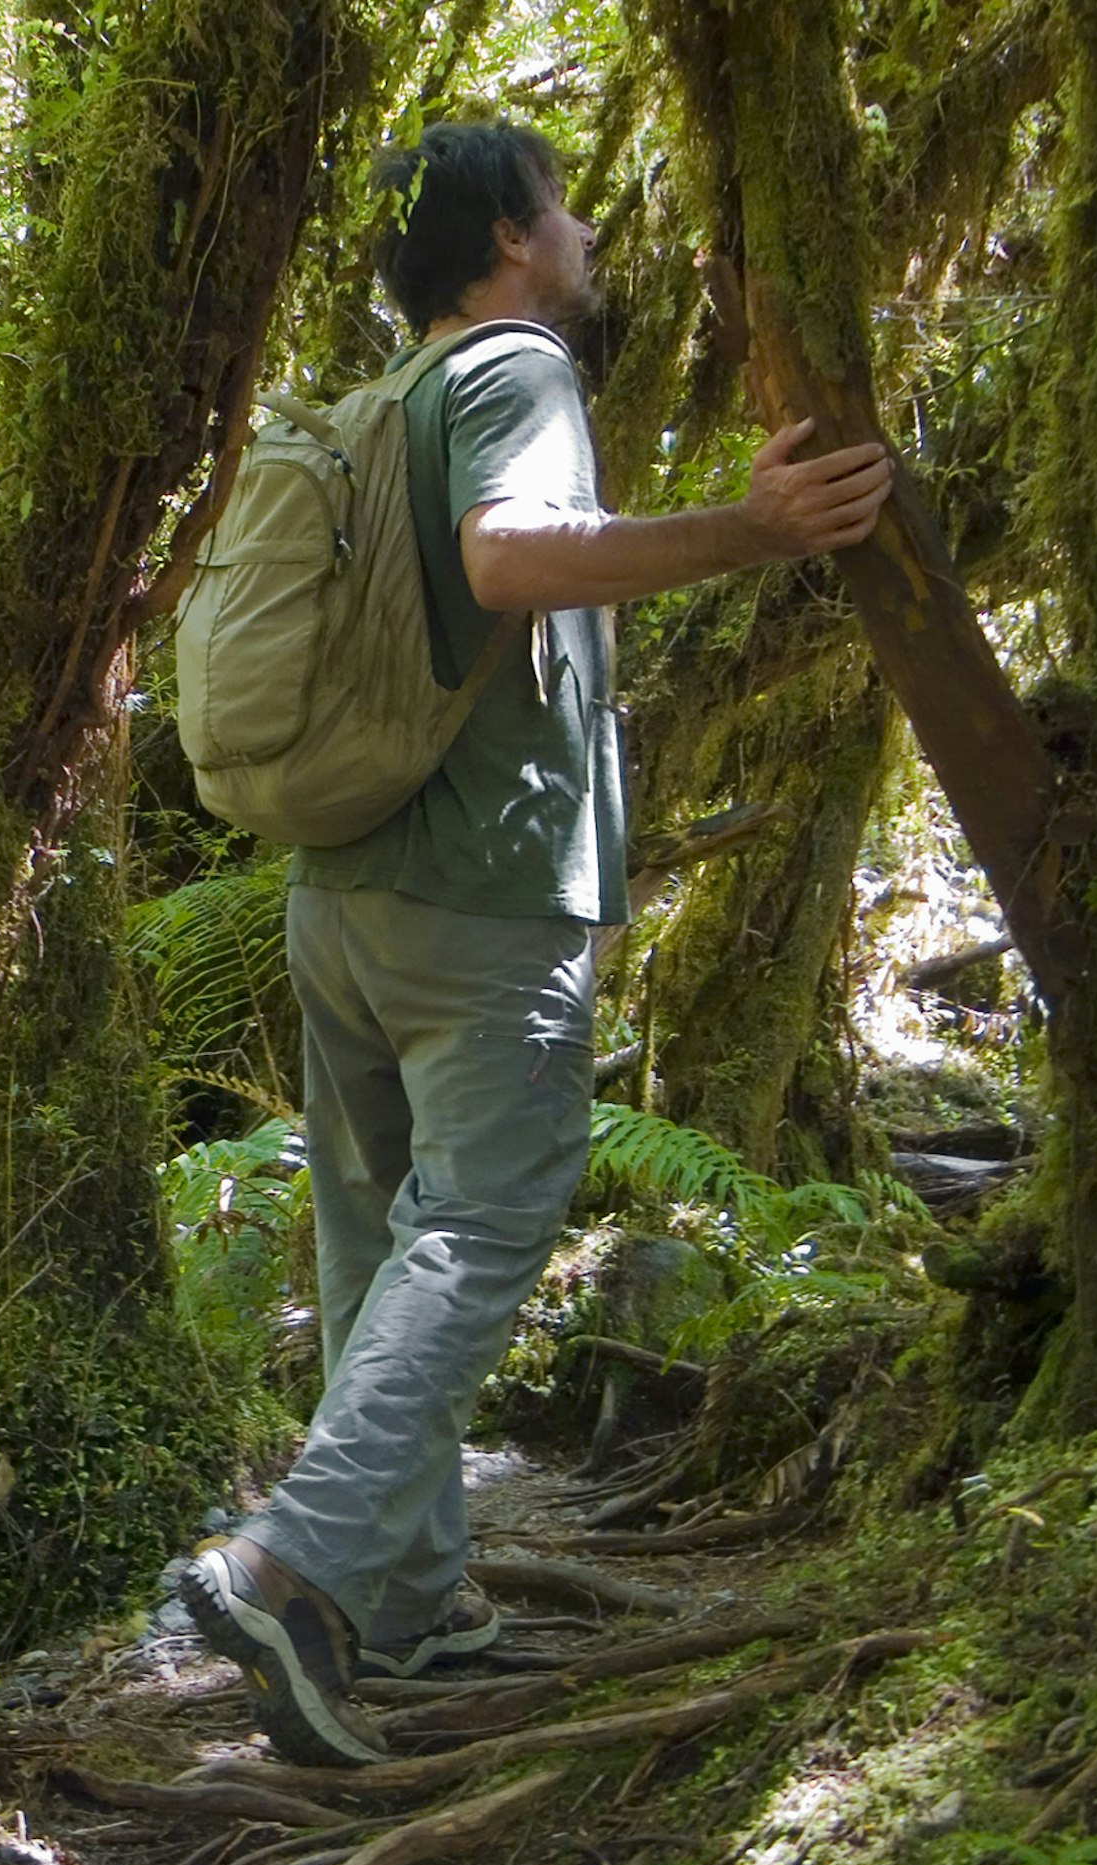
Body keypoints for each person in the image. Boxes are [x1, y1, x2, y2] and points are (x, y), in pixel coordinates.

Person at [172, 120, 894, 1766]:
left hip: (342, 896)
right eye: (560, 207)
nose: (580, 234)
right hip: (484, 902)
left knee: (376, 1243)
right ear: (509, 236)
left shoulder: (374, 407)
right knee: (486, 1220)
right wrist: (752, 525)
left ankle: (409, 1605)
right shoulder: (514, 370)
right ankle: (290, 1566)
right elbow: (508, 556)